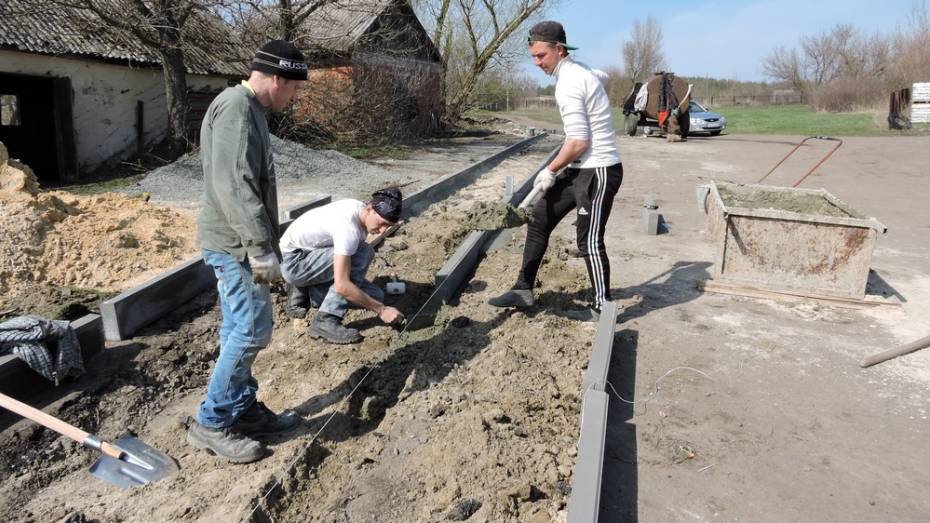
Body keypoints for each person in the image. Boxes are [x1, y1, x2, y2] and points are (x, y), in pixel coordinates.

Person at [187, 40, 308, 464]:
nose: (294, 98)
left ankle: (241, 408)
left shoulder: (250, 108)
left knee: (240, 328)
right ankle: (212, 422)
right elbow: (235, 185)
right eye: (293, 89)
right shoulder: (236, 108)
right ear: (276, 78)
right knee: (251, 331)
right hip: (236, 245)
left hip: (244, 243)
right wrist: (259, 248)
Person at [489, 21, 623, 322]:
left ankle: (603, 308)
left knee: (588, 241)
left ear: (559, 50)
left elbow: (577, 142)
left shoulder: (569, 83)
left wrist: (549, 169)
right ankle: (523, 288)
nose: (537, 63)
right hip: (580, 170)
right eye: (534, 57)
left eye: (541, 56)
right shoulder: (578, 72)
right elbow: (600, 75)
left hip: (599, 169)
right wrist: (596, 79)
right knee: (540, 218)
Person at [279, 188, 405, 344]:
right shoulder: (348, 229)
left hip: (311, 255)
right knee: (363, 253)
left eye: (388, 226)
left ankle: (309, 291)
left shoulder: (358, 210)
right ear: (369, 209)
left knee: (376, 296)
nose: (383, 230)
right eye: (382, 223)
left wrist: (375, 304)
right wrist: (382, 310)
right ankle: (326, 320)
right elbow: (342, 285)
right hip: (294, 261)